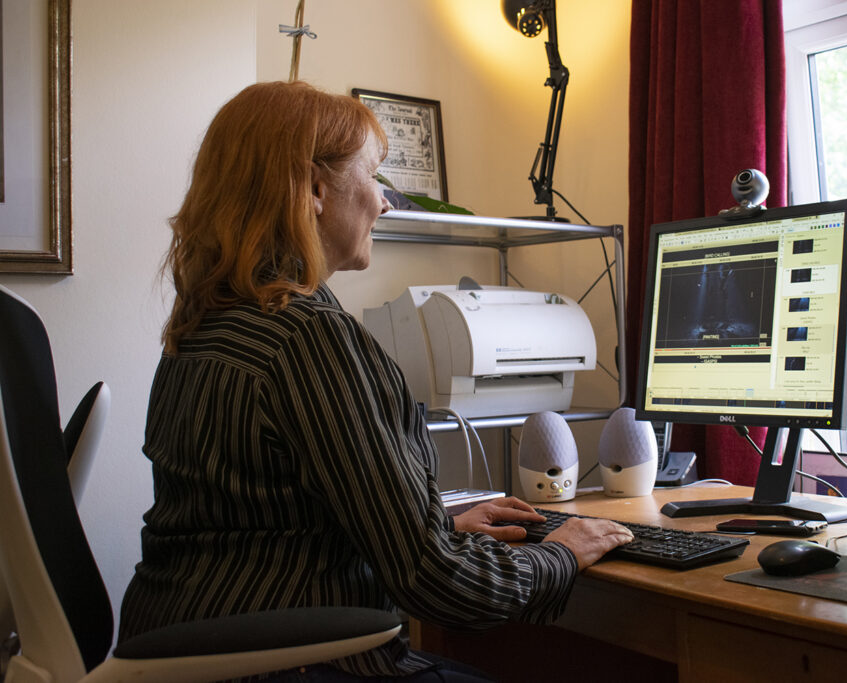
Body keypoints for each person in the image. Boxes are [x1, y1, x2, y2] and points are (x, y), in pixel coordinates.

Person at [118, 80, 633, 681]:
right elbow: (440, 585)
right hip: (292, 663)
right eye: (374, 176)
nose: (385, 203)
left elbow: (260, 516)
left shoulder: (201, 327)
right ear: (313, 188)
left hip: (181, 650)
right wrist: (560, 553)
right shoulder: (306, 337)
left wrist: (428, 524)